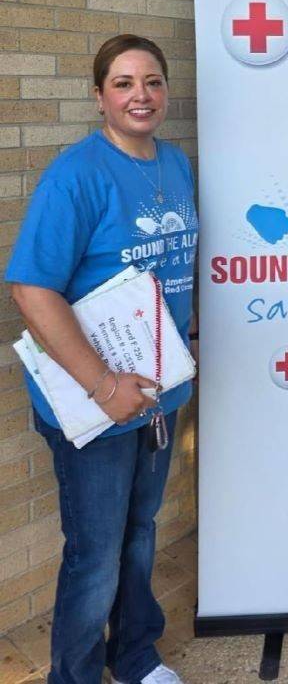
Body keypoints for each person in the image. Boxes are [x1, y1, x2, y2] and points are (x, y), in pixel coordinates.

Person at [6, 35, 199, 684]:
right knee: (96, 555)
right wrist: (103, 384)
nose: (140, 95)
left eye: (151, 81)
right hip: (97, 401)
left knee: (140, 531)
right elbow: (32, 289)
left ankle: (135, 655)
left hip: (157, 396)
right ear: (99, 98)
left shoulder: (175, 166)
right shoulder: (77, 175)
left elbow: (170, 269)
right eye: (122, 83)